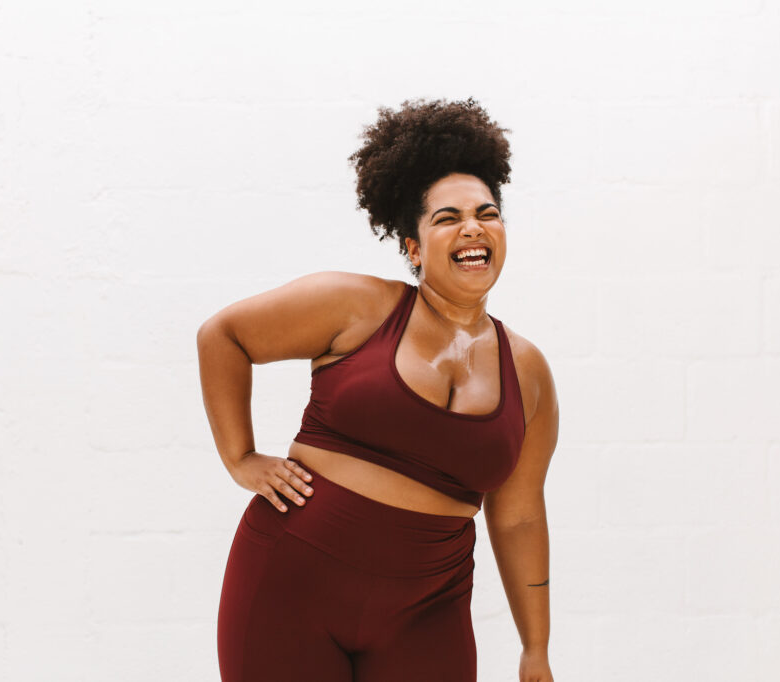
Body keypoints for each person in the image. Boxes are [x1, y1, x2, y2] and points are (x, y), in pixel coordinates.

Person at [197, 96, 559, 682]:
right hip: (290, 585)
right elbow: (225, 336)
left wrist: (535, 646)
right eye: (448, 217)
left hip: (428, 611)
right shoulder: (356, 306)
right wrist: (240, 457)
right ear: (413, 247)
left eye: (487, 213)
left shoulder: (528, 371)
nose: (473, 226)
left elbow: (517, 517)